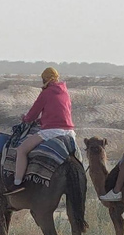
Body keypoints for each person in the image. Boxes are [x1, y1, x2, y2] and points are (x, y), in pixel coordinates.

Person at [7, 67, 75, 195]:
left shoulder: (46, 93)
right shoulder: (65, 92)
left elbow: (32, 115)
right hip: (69, 132)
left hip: (52, 131)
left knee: (21, 150)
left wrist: (25, 118)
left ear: (45, 79)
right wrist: (44, 119)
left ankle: (17, 183)